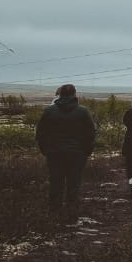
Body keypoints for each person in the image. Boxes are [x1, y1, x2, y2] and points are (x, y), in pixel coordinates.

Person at [35, 83, 96, 214]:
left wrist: (45, 150)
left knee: (56, 182)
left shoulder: (49, 111)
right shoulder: (83, 111)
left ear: (60, 94)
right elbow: (91, 134)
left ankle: (54, 214)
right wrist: (86, 151)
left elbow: (40, 133)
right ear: (74, 94)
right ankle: (71, 214)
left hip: (54, 153)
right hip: (77, 154)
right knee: (74, 183)